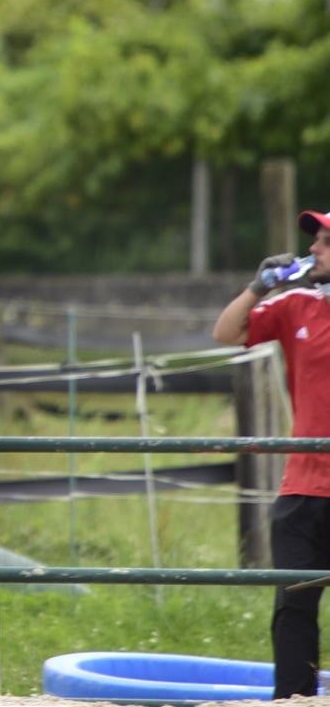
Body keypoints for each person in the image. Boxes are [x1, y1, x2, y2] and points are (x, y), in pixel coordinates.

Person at [213, 208, 330, 699]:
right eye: (315, 240)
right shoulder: (297, 304)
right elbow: (226, 332)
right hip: (302, 487)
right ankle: (293, 699)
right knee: (294, 605)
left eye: (325, 242)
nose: (313, 249)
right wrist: (257, 287)